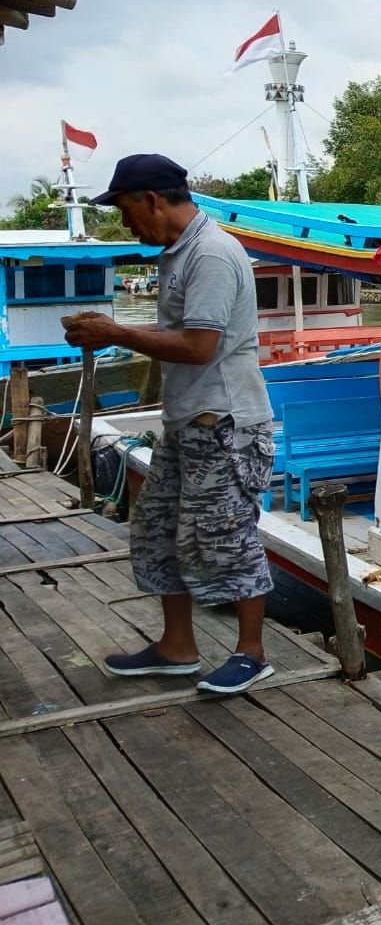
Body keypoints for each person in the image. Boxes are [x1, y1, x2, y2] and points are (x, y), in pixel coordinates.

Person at [63, 153, 277, 694]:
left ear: (152, 200)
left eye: (127, 210)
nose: (127, 223)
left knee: (227, 539)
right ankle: (176, 647)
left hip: (225, 426)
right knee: (156, 532)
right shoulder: (180, 253)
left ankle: (252, 653)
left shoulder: (210, 254)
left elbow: (200, 346)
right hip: (188, 424)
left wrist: (115, 333)